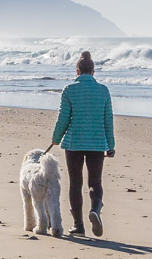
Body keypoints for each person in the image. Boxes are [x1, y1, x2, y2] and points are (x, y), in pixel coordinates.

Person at [46, 50, 115, 237]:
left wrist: (56, 138)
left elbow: (63, 118)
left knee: (75, 182)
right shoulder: (103, 91)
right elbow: (108, 119)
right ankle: (95, 209)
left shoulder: (69, 90)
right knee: (95, 181)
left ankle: (78, 224)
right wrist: (111, 144)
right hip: (97, 143)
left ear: (77, 71)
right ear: (93, 72)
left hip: (74, 143)